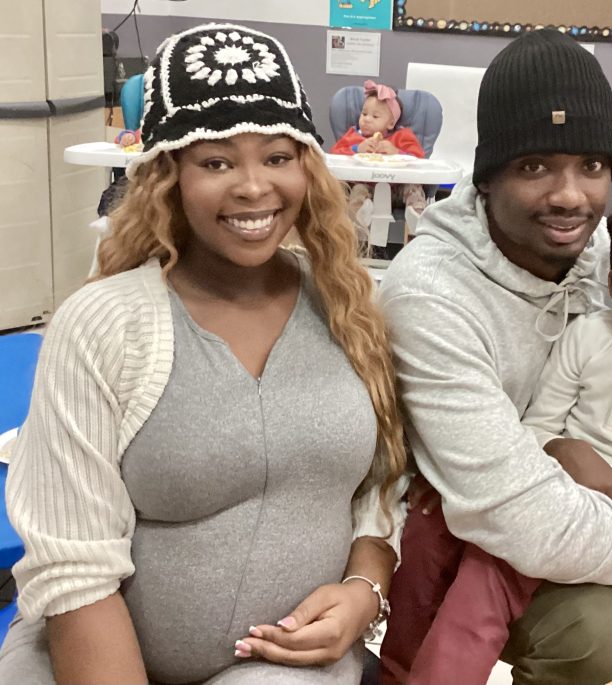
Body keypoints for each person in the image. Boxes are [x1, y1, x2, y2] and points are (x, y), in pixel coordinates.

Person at [0, 23, 408, 685]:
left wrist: (365, 587)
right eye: (216, 161)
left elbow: (382, 487)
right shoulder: (105, 324)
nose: (253, 187)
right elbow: (73, 569)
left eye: (277, 156)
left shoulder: (347, 306)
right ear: (169, 176)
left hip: (291, 669)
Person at [377, 28, 612, 685]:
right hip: (492, 526)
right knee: (597, 633)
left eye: (590, 166)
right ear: (489, 172)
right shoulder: (429, 293)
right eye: (535, 166)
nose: (569, 195)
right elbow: (516, 515)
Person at [330, 80, 428, 244]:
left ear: (391, 123)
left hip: (398, 189)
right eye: (364, 114)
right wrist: (356, 149)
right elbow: (335, 155)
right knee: (358, 191)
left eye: (375, 116)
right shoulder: (355, 135)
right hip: (367, 186)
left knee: (413, 188)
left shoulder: (402, 136)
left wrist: (397, 152)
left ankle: (416, 213)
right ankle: (358, 215)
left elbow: (418, 158)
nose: (367, 119)